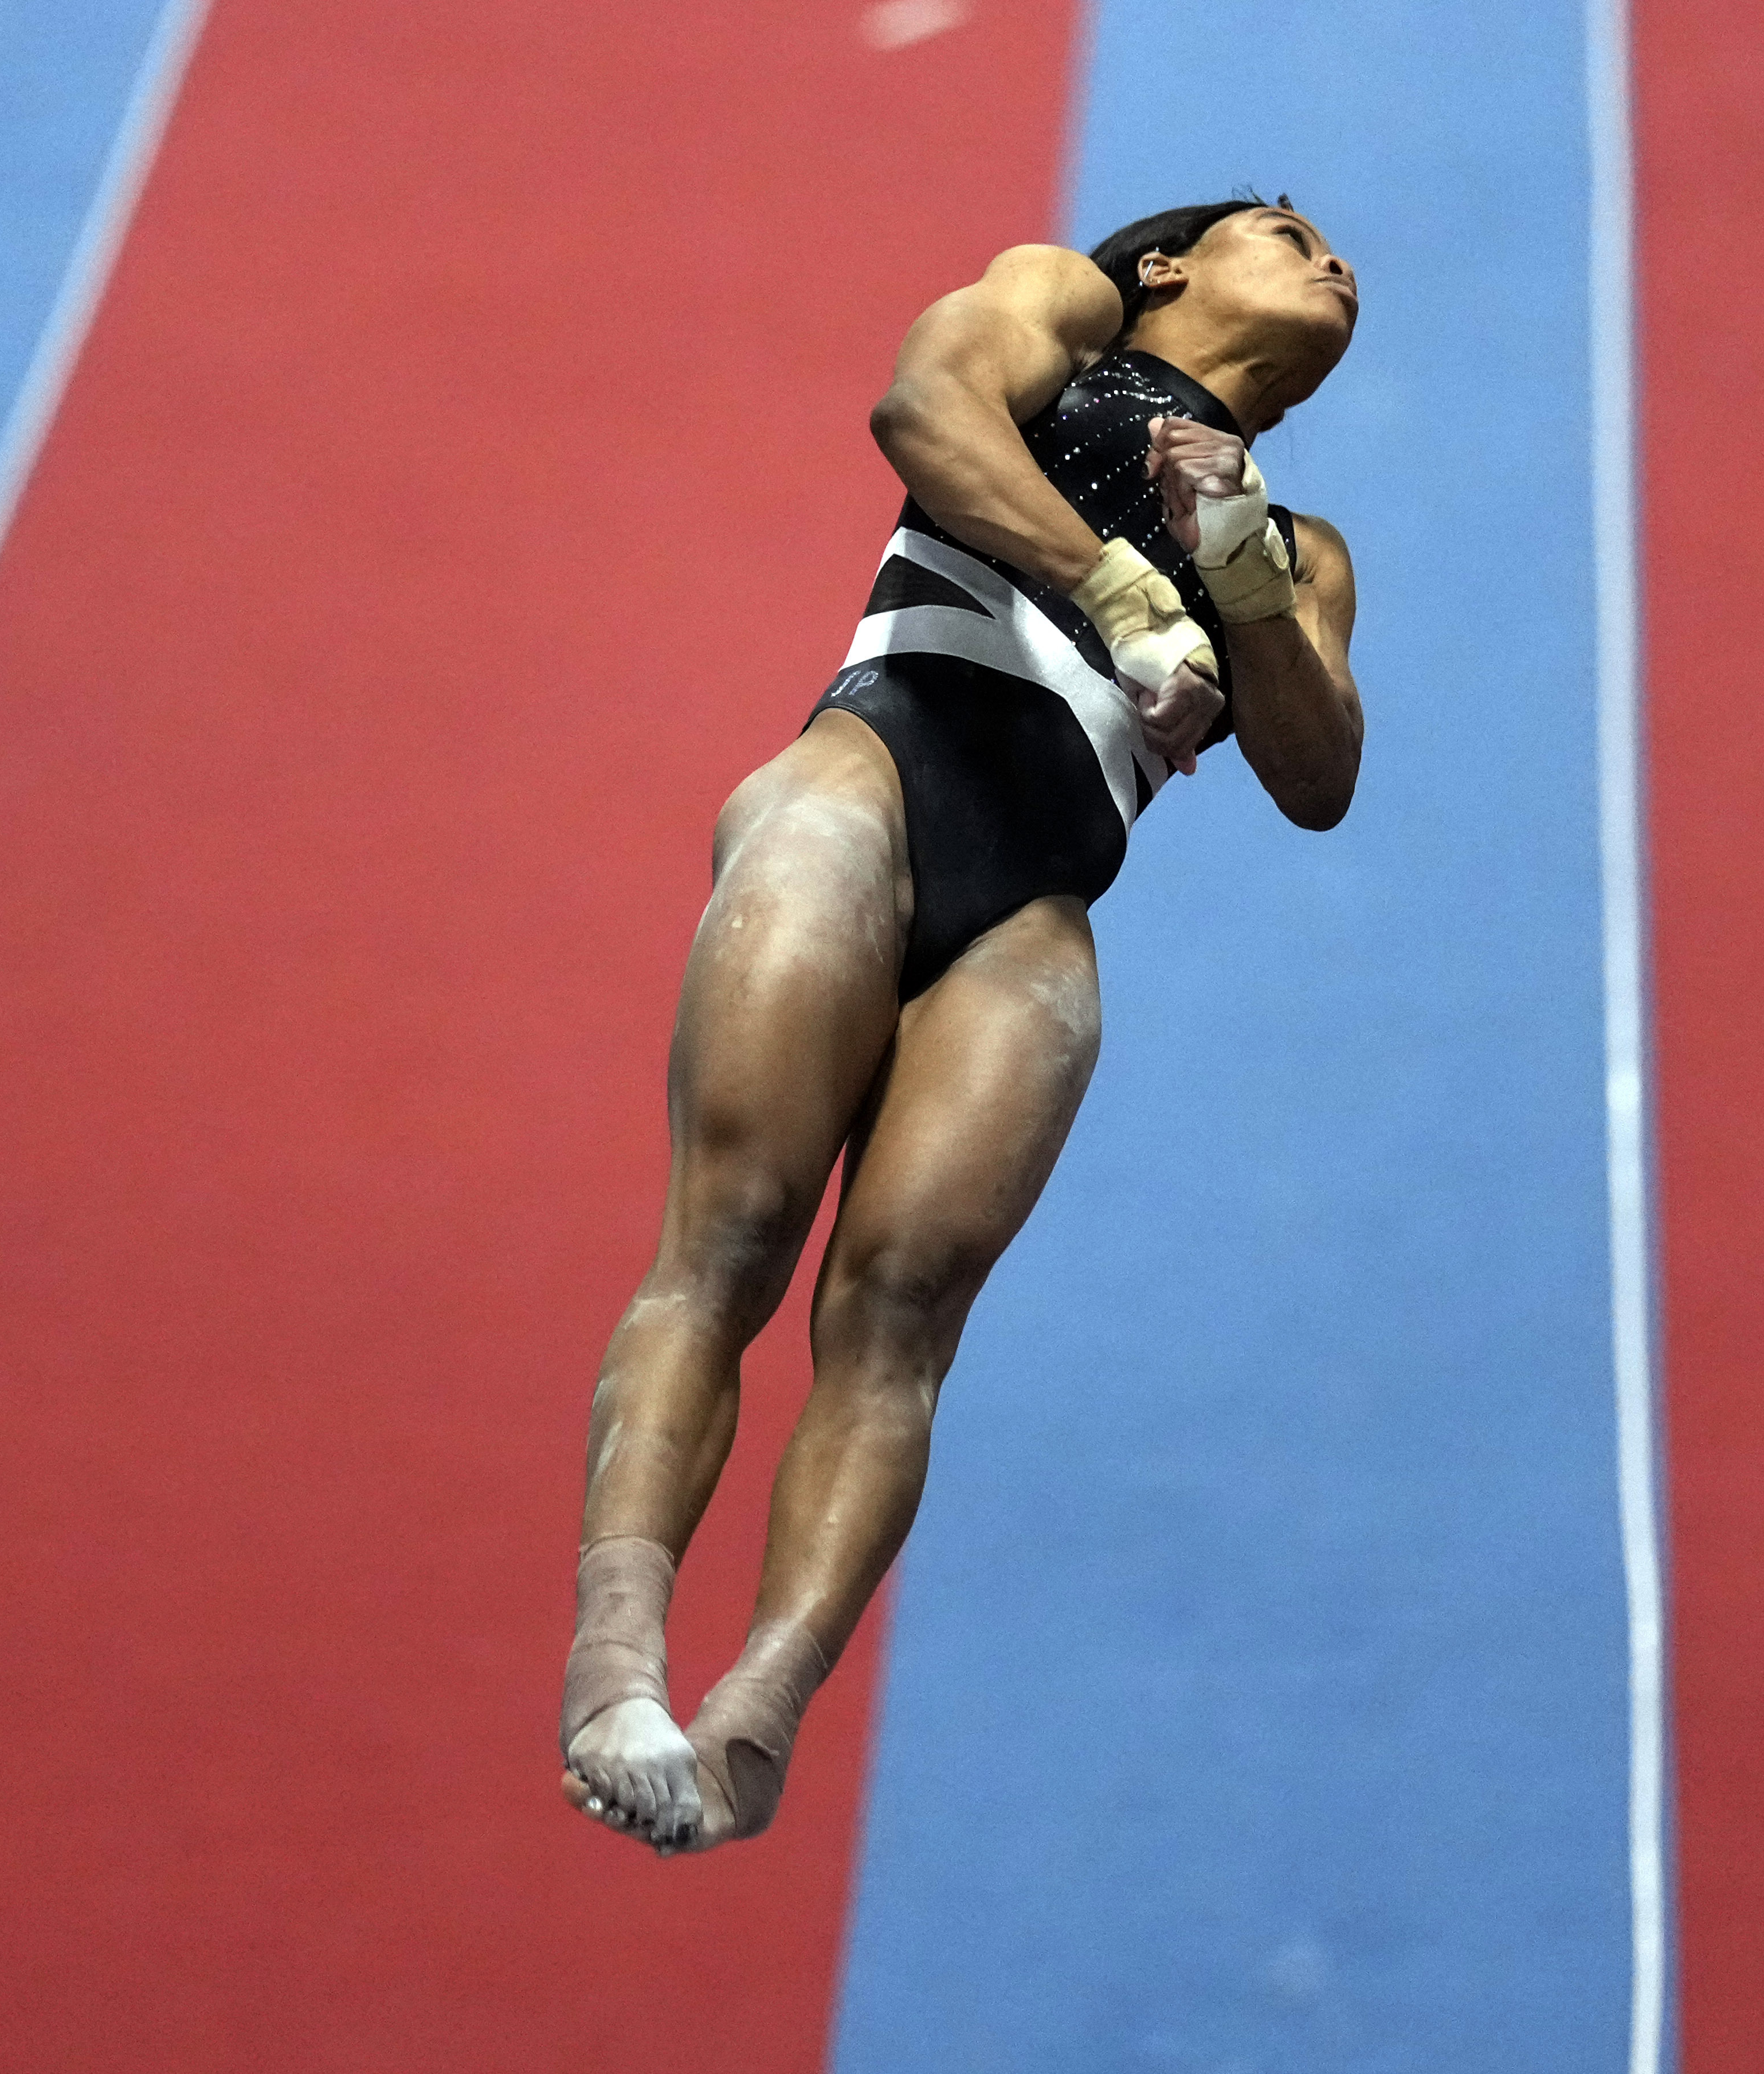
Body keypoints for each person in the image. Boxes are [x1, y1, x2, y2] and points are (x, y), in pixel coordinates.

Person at [558, 197, 1363, 1853]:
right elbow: (920, 417)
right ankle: (613, 1657)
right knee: (734, 1234)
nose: (1335, 263)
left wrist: (1229, 567)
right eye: (1287, 232)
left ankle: (757, 1712)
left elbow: (1318, 772)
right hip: (871, 784)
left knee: (902, 1308)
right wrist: (1125, 593)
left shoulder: (1299, 545)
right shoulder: (1062, 319)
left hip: (1035, 904)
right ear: (1167, 268)